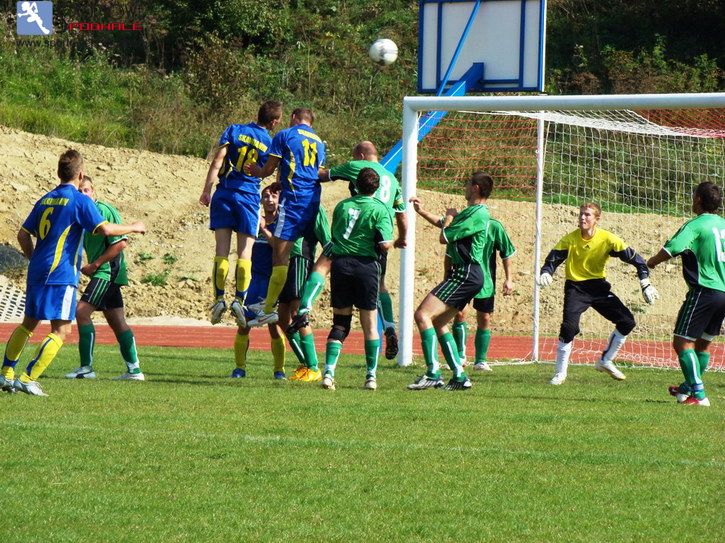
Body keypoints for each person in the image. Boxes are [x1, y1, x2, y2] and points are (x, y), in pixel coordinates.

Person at [0, 150, 146, 396]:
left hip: (37, 271)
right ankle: (28, 378)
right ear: (80, 175)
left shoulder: (46, 199)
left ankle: (6, 373)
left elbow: (23, 234)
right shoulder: (79, 200)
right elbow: (104, 229)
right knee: (61, 330)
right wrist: (133, 227)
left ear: (59, 173)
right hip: (61, 274)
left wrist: (34, 258)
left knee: (28, 324)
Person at [294, 141, 407, 359]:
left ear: (361, 156)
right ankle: (389, 327)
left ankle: (304, 308)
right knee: (380, 285)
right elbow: (402, 215)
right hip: (380, 238)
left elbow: (323, 175)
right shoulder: (392, 179)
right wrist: (401, 239)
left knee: (324, 262)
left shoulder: (357, 166)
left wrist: (302, 167)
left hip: (358, 228)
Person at [538, 202, 659, 385]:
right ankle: (560, 373)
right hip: (575, 288)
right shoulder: (569, 239)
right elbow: (552, 260)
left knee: (627, 321)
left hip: (598, 288)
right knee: (569, 327)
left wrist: (645, 283)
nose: (582, 217)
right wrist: (546, 272)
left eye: (587, 215)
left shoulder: (608, 239)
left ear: (597, 219)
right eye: (581, 214)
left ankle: (605, 360)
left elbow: (637, 260)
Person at [407, 171, 493, 391]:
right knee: (438, 322)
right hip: (467, 274)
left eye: (467, 183)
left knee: (422, 315)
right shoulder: (471, 212)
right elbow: (445, 225)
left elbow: (444, 236)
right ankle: (460, 376)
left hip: (466, 272)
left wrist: (449, 217)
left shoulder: (479, 213)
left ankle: (432, 373)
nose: (465, 187)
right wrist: (422, 211)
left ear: (475, 188)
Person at [199, 100, 283, 327]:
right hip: (248, 197)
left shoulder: (234, 130)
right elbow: (272, 171)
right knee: (245, 253)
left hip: (224, 194)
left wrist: (206, 190)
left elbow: (218, 161)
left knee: (221, 251)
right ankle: (239, 300)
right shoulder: (271, 142)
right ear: (274, 121)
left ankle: (218, 299)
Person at [245, 107, 326, 327]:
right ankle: (295, 305)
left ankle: (268, 308)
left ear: (293, 118)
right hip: (312, 202)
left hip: (292, 203)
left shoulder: (286, 135)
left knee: (279, 256)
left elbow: (268, 168)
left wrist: (256, 171)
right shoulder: (319, 142)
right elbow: (315, 172)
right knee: (305, 252)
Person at [647, 181, 725, 407]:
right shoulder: (723, 225)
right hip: (723, 293)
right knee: (703, 344)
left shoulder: (695, 225)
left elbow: (673, 248)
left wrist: (651, 262)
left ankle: (699, 395)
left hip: (705, 290)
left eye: (694, 195)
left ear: (698, 199)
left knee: (682, 342)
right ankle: (687, 388)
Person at [64, 177, 145, 381]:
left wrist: (95, 264)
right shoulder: (81, 214)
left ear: (93, 191)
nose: (83, 194)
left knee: (81, 312)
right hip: (104, 271)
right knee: (117, 322)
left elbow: (120, 243)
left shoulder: (104, 210)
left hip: (107, 271)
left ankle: (86, 368)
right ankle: (134, 371)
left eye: (86, 190)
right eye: (80, 191)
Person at [321, 168, 393, 391]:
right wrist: (393, 241)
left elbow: (335, 235)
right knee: (369, 324)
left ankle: (328, 373)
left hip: (341, 265)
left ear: (355, 185)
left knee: (340, 323)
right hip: (366, 267)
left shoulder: (342, 206)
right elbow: (385, 244)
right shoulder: (380, 209)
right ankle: (371, 376)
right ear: (376, 188)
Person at [231, 183, 287, 379]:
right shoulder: (254, 220)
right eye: (266, 196)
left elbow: (278, 248)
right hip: (253, 280)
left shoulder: (282, 222)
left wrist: (264, 229)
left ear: (279, 200)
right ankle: (239, 368)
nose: (269, 200)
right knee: (244, 324)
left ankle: (279, 370)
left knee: (273, 326)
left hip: (272, 281)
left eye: (273, 196)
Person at [451, 217, 515, 371]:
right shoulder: (463, 223)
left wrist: (509, 279)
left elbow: (506, 252)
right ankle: (460, 356)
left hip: (485, 280)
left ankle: (480, 360)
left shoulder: (494, 226)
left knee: (484, 317)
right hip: (464, 277)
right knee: (459, 314)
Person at [279, 207, 331, 383]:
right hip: (283, 262)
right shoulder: (286, 202)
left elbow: (328, 242)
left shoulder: (314, 207)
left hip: (300, 258)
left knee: (297, 313)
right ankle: (305, 363)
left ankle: (313, 367)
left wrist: (319, 270)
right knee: (282, 317)